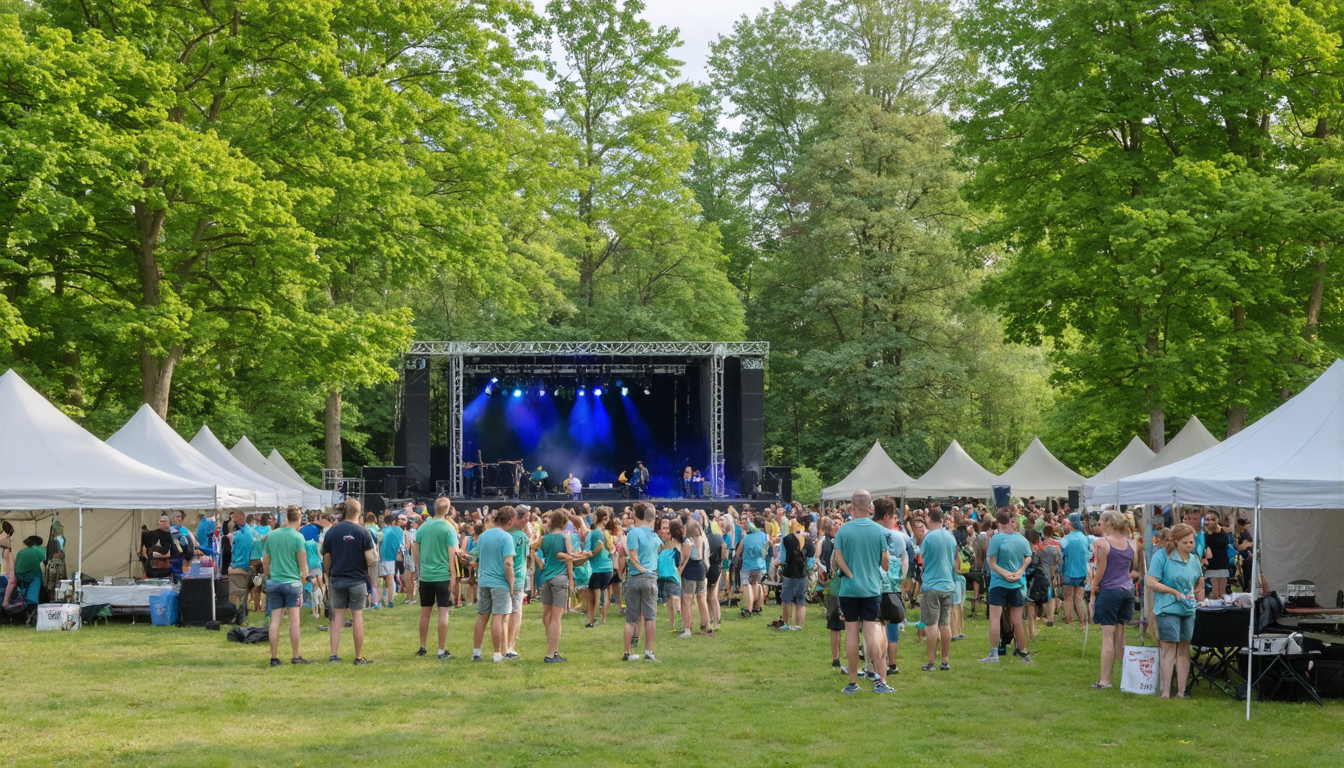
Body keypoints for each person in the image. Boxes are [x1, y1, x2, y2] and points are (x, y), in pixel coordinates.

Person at [834, 490, 894, 694]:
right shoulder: (878, 531)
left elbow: (838, 558)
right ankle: (880, 680)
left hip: (849, 589)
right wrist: (880, 566)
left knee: (851, 635)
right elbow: (885, 561)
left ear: (852, 506)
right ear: (870, 507)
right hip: (871, 589)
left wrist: (850, 574)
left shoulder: (843, 531)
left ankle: (853, 681)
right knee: (870, 634)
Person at [1147, 523, 1204, 699]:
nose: (1189, 545)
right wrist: (1174, 592)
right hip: (1167, 608)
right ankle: (1165, 692)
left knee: (1184, 648)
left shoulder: (1194, 560)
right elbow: (1151, 582)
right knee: (1169, 647)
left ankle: (1181, 691)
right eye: (1185, 542)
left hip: (1188, 609)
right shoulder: (1161, 556)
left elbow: (1200, 582)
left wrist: (1197, 598)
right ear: (1175, 541)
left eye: (1191, 542)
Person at [322, 499, 377, 665]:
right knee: (357, 616)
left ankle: (334, 655)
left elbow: (326, 558)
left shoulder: (332, 531)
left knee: (336, 617)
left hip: (337, 578)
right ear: (359, 513)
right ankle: (358, 656)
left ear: (345, 511)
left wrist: (328, 574)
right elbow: (370, 559)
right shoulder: (363, 532)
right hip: (357, 580)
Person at [1089, 510, 1137, 689]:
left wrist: (1093, 589)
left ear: (1108, 523)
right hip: (1127, 590)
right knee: (1121, 636)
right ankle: (1128, 679)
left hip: (1110, 591)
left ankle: (1105, 680)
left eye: (1100, 522)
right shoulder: (1130, 544)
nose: (1099, 525)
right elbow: (1131, 569)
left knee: (1108, 636)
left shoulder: (1102, 543)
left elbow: (1100, 569)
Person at [982, 508, 1033, 664]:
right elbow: (1028, 557)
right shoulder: (1022, 540)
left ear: (998, 522)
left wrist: (1005, 574)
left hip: (999, 583)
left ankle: (994, 653)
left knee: (995, 619)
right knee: (1018, 620)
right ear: (1013, 521)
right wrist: (1019, 572)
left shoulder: (996, 539)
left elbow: (991, 562)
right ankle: (1023, 652)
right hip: (1017, 583)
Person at [263, 507, 310, 667]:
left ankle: (274, 657)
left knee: (274, 620)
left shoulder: (271, 536)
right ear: (299, 518)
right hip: (292, 583)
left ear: (286, 517)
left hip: (274, 582)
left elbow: (266, 561)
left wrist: (268, 575)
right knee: (294, 620)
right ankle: (296, 656)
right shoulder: (298, 537)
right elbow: (303, 563)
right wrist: (305, 578)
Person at [414, 498, 459, 660]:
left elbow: (415, 547)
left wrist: (419, 567)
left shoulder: (423, 527)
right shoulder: (449, 529)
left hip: (426, 576)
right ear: (447, 510)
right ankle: (441, 649)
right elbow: (453, 555)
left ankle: (422, 646)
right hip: (442, 575)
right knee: (443, 612)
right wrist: (453, 576)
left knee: (425, 613)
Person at [471, 507, 518, 662]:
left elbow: (477, 557)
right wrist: (512, 584)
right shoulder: (506, 538)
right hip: (500, 582)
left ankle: (476, 652)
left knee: (482, 616)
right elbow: (508, 564)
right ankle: (497, 653)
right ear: (510, 521)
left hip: (484, 580)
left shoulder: (483, 536)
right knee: (498, 617)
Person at [919, 507, 958, 673]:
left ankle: (930, 661)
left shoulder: (928, 537)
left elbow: (922, 559)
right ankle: (945, 660)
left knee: (931, 625)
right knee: (945, 624)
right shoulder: (950, 536)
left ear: (929, 519)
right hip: (948, 584)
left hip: (932, 584)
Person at [622, 502, 661, 662]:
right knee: (650, 617)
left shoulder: (633, 533)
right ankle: (649, 652)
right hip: (650, 578)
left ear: (636, 516)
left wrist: (640, 567)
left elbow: (633, 555)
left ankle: (627, 653)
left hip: (634, 577)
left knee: (631, 619)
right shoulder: (654, 536)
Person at [779, 511, 814, 632]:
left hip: (789, 572)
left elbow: (782, 558)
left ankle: (786, 623)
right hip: (802, 573)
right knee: (801, 600)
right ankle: (799, 625)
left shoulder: (787, 539)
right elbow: (811, 558)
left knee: (786, 600)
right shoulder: (808, 539)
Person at [505, 505, 532, 656]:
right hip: (517, 576)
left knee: (503, 612)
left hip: (502, 576)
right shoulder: (522, 537)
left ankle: (504, 645)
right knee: (516, 611)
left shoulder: (504, 534)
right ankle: (510, 645)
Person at [679, 519, 711, 637]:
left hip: (690, 570)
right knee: (701, 598)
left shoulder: (688, 541)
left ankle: (687, 628)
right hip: (701, 568)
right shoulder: (702, 538)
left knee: (687, 601)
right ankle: (706, 625)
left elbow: (683, 558)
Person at [585, 508, 614, 627]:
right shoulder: (609, 534)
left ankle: (592, 618)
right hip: (608, 566)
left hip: (595, 568)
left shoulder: (592, 533)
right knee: (605, 591)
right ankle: (604, 618)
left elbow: (587, 550)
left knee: (594, 594)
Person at [1059, 514, 1090, 625]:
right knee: (1079, 598)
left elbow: (1061, 557)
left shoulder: (1065, 540)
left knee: (1068, 597)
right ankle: (1083, 621)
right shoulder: (1085, 538)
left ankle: (1068, 619)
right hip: (1082, 571)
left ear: (1071, 524)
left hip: (1069, 571)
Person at [736, 516, 768, 617]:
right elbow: (765, 551)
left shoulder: (746, 537)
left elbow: (738, 553)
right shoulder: (764, 536)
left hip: (748, 565)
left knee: (747, 585)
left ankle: (748, 609)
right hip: (760, 565)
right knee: (757, 583)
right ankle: (758, 606)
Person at [140, 515, 182, 580]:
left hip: (168, 572)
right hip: (152, 572)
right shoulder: (150, 535)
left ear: (169, 523)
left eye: (165, 521)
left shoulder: (175, 536)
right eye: (161, 521)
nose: (163, 522)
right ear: (158, 523)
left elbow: (179, 553)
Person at [703, 516, 726, 634]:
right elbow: (724, 555)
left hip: (706, 568)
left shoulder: (703, 538)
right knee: (713, 596)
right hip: (716, 567)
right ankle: (716, 620)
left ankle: (712, 619)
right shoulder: (719, 539)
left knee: (708, 597)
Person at [377, 513, 403, 609]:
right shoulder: (398, 530)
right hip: (394, 556)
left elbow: (378, 544)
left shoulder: (382, 531)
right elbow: (401, 543)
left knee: (386, 578)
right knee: (391, 577)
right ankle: (390, 600)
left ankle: (384, 598)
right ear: (394, 521)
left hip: (383, 556)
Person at [1203, 514, 1232, 599]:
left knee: (1222, 594)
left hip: (1223, 564)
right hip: (1211, 565)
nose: (1210, 522)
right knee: (1215, 593)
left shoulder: (1224, 533)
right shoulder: (1204, 536)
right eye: (1207, 519)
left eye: (1212, 519)